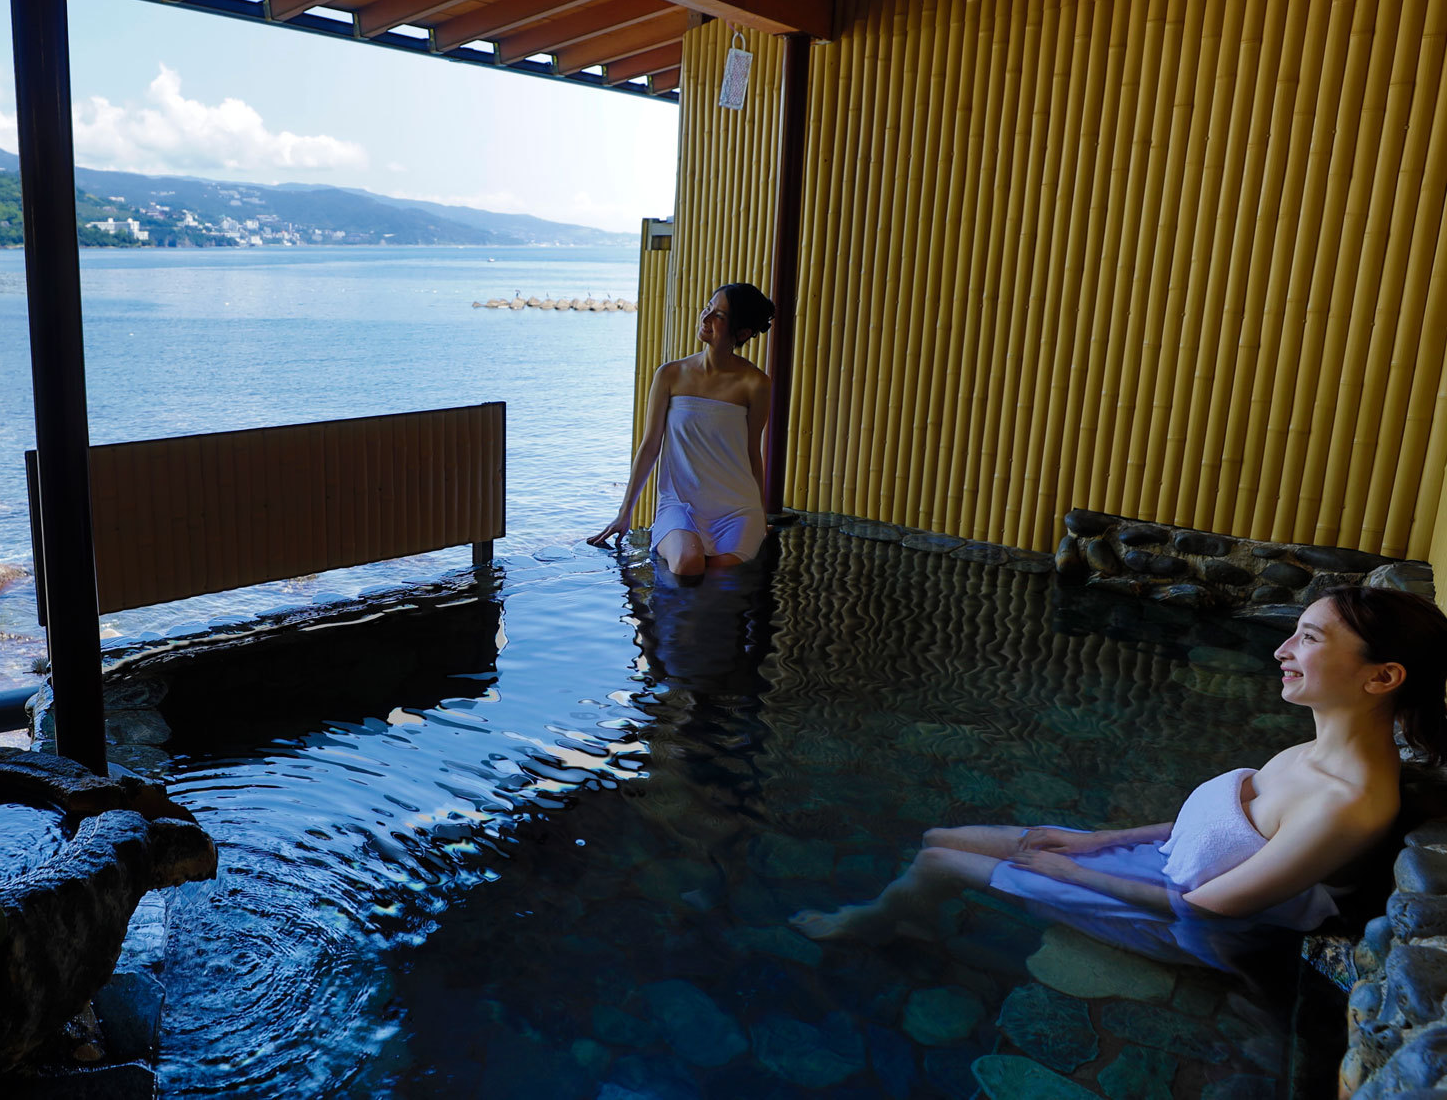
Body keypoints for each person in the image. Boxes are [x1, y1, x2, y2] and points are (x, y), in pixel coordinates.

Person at [788, 586, 1447, 965]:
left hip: (1181, 921)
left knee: (937, 860)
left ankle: (879, 920)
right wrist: (1096, 837)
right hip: (1159, 862)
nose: (1281, 649)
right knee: (942, 832)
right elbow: (1213, 823)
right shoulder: (1317, 751)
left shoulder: (1349, 801)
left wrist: (1070, 873)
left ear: (1383, 676)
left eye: (1307, 637)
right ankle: (914, 915)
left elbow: (1209, 905)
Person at [589, 284, 775, 583]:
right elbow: (650, 446)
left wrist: (760, 514)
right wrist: (624, 513)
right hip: (680, 503)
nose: (706, 317)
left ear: (741, 333)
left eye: (719, 315)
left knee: (722, 572)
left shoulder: (755, 384)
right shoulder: (670, 375)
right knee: (689, 563)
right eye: (708, 308)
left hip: (737, 508)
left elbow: (753, 451)